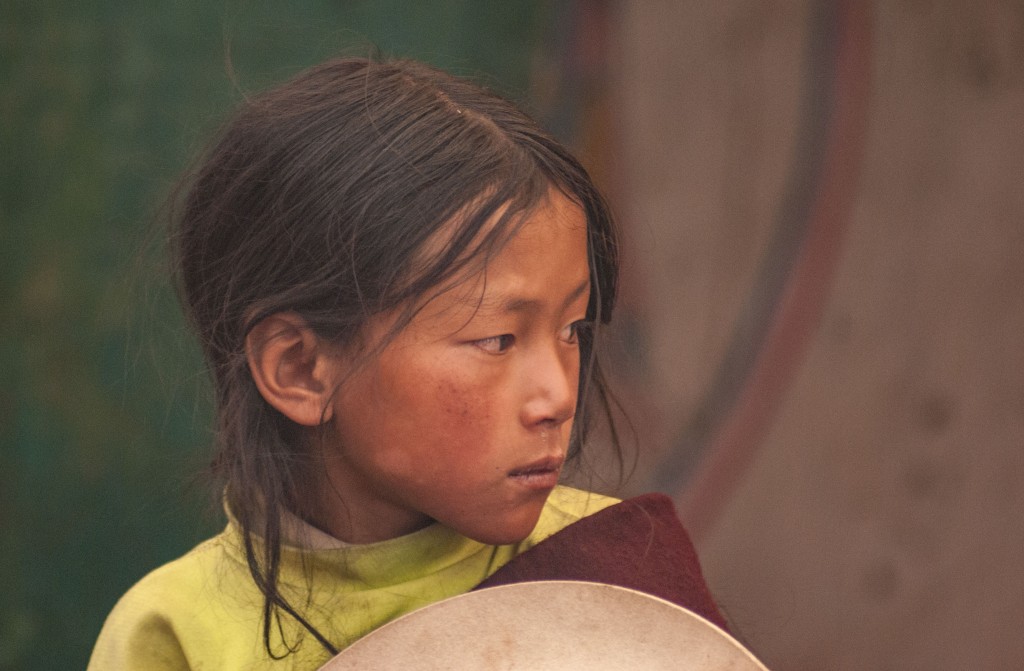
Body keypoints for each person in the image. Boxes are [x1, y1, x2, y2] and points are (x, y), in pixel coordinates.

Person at [88, 57, 723, 670]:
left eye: (572, 329)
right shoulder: (175, 636)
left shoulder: (619, 579)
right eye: (498, 340)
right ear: (301, 369)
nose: (558, 395)